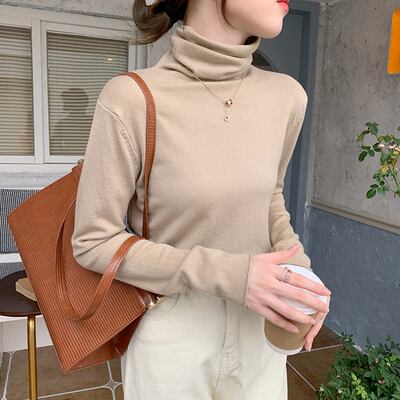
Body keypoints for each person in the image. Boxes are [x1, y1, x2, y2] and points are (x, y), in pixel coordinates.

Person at [71, 0, 332, 398]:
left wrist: (299, 276)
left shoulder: (288, 97)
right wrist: (235, 276)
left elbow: (270, 197)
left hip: (260, 323)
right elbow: (93, 241)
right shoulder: (132, 98)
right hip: (171, 328)